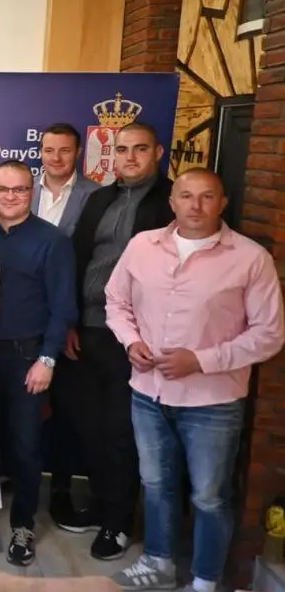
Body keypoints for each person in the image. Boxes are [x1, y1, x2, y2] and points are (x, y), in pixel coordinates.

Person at [108, 169, 284, 592]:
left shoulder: (250, 258)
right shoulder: (142, 246)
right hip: (148, 392)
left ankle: (203, 587)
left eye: (207, 197)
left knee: (208, 496)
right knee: (155, 483)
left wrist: (201, 361)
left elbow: (269, 334)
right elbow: (116, 301)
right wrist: (130, 341)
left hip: (212, 401)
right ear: (172, 201)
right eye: (186, 196)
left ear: (222, 202)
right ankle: (159, 561)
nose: (195, 205)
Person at [66, 121, 174, 561]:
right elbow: (78, 259)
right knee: (90, 427)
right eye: (123, 149)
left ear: (158, 153)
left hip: (134, 338)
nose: (130, 157)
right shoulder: (100, 199)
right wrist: (70, 322)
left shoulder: (170, 202)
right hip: (89, 329)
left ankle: (118, 520)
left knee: (120, 432)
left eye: (140, 149)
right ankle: (100, 504)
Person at [0, 161, 76, 566]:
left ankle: (23, 525)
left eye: (19, 190)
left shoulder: (53, 241)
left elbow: (63, 308)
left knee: (25, 446)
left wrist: (47, 359)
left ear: (31, 192)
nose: (10, 197)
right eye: (2, 189)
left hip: (26, 358)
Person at [32, 122, 101, 532]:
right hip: (21, 319)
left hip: (68, 320)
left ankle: (60, 490)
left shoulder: (96, 197)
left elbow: (92, 263)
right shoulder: (22, 190)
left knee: (66, 412)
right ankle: (7, 479)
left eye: (64, 150)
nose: (55, 158)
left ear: (77, 153)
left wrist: (71, 320)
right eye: (49, 150)